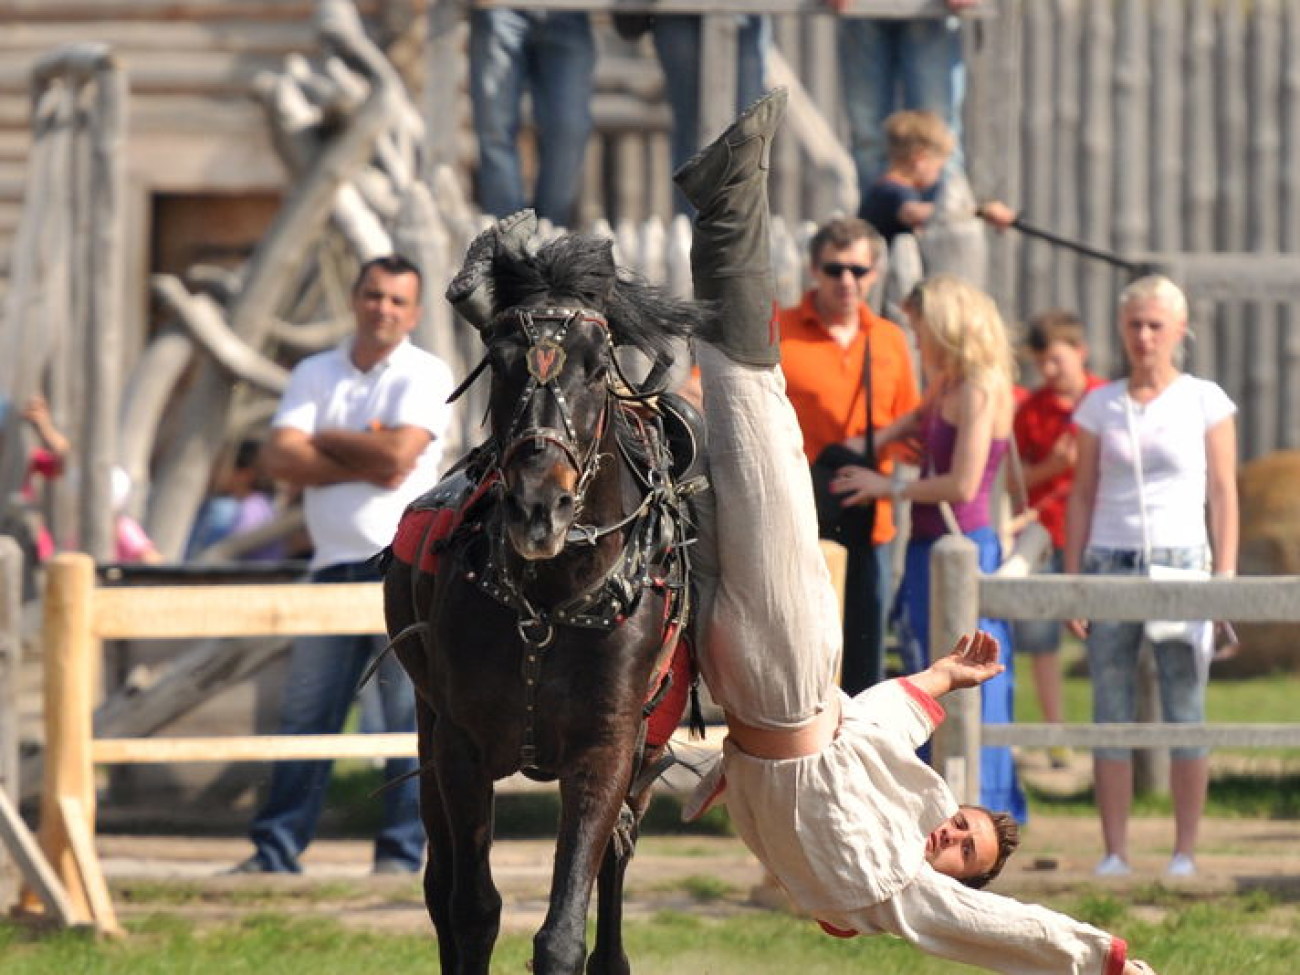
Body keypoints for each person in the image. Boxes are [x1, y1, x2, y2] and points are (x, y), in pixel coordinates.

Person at [675, 87, 1157, 974]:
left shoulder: (899, 887)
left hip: (746, 700)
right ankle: (727, 211)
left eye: (964, 849)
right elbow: (875, 724)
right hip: (792, 676)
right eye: (965, 823)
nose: (952, 834)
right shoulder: (896, 815)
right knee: (760, 432)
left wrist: (1107, 960)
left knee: (668, 492)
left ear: (960, 885)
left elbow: (1014, 929)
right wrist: (945, 674)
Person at [231, 255, 455, 875]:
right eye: (373, 295)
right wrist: (368, 446)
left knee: (407, 719)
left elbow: (398, 459)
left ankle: (401, 855)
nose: (383, 308)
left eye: (397, 300)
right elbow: (279, 459)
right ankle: (275, 852)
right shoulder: (315, 370)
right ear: (355, 299)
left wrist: (322, 436)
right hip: (329, 568)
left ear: (414, 313)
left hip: (403, 572)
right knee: (306, 717)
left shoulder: (426, 372)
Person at [834, 273, 1026, 822]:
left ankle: (983, 806)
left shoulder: (980, 388)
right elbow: (904, 428)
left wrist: (888, 485)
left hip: (962, 545)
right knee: (927, 668)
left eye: (921, 329)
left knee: (972, 675)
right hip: (925, 546)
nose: (917, 342)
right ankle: (931, 805)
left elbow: (963, 485)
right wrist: (847, 450)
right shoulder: (946, 384)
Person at [1064, 275, 1238, 879]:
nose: (1144, 337)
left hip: (1181, 561)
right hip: (1110, 559)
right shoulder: (1100, 405)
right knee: (1110, 705)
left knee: (1184, 703)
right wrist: (1072, 579)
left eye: (1155, 326)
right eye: (1135, 325)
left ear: (1178, 331)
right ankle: (1114, 851)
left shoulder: (1204, 399)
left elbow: (1223, 491)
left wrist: (1225, 576)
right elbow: (1081, 493)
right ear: (1122, 329)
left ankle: (1185, 851)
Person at [778, 217, 920, 692]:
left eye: (858, 271)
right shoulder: (781, 330)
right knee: (796, 652)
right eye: (834, 269)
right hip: (795, 513)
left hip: (867, 517)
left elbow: (909, 427)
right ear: (814, 270)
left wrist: (883, 468)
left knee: (863, 651)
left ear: (874, 275)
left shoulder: (889, 339)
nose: (846, 281)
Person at [1012, 310, 1104, 761]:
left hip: (1100, 534)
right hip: (1047, 534)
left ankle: (1111, 735)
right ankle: (1055, 735)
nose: (1048, 371)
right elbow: (1015, 481)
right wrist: (1055, 466)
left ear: (1080, 352)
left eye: (1056, 360)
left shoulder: (1106, 400)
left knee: (1107, 635)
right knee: (1042, 640)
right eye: (1041, 363)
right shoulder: (1031, 409)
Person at [833, 0, 975, 201]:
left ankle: (941, 212)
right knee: (869, 134)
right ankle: (880, 214)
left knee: (936, 131)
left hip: (931, 7)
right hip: (861, 11)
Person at [469, 8, 595, 227]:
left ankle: (550, 230)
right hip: (500, 9)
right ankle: (507, 233)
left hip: (568, 11)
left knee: (569, 130)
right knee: (494, 128)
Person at [185, 439, 285, 562]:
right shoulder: (262, 506)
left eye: (220, 466)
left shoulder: (248, 509)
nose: (213, 473)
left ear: (245, 474)